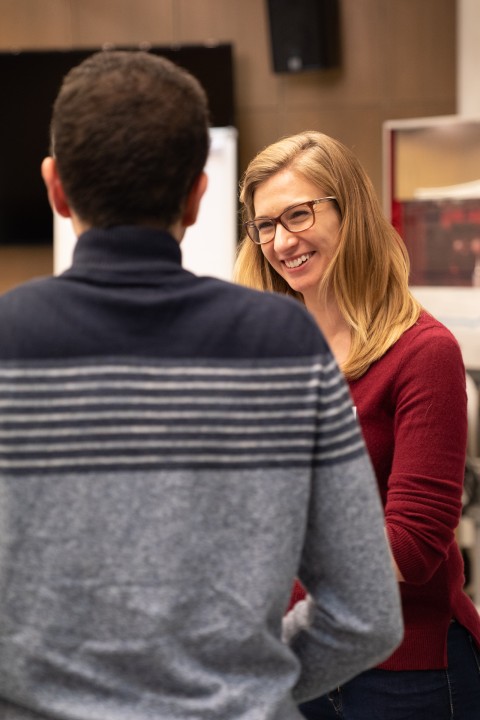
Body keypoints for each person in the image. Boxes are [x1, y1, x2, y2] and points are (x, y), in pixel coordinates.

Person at [0, 53, 402, 720]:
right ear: (198, 192)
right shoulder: (286, 345)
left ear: (55, 187)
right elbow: (365, 615)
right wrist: (239, 681)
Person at [234, 129, 480, 719]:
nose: (281, 240)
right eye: (265, 225)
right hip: (295, 659)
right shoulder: (268, 353)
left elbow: (413, 544)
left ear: (351, 214)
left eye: (298, 214)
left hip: (403, 674)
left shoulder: (423, 352)